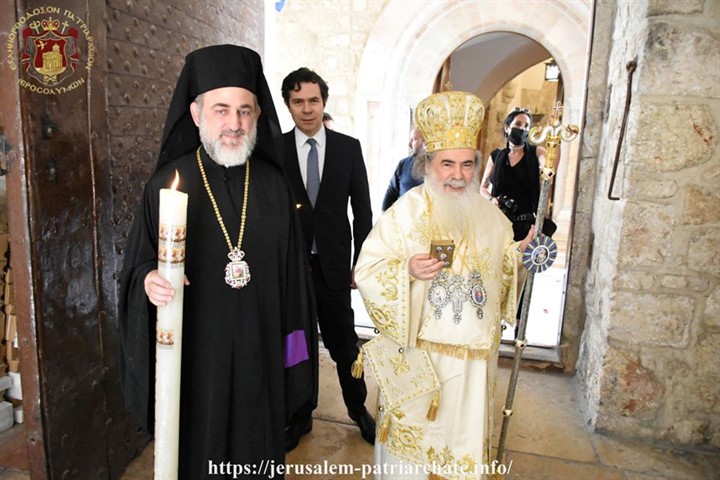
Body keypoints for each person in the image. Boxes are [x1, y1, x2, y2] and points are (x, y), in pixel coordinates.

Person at [118, 45, 317, 479]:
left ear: (258, 114)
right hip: (196, 363)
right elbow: (136, 267)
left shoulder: (275, 187)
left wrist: (295, 367)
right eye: (221, 110)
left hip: (261, 358)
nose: (235, 123)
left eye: (245, 111)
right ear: (195, 113)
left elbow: (296, 292)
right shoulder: (167, 185)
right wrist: (149, 279)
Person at [354, 91, 534, 479]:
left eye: (467, 164)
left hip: (472, 369)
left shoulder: (493, 219)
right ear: (428, 164)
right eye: (447, 164)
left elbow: (504, 277)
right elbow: (367, 270)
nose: (458, 175)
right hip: (419, 361)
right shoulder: (404, 213)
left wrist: (522, 256)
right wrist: (405, 270)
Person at [281, 67, 375, 449]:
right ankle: (300, 414)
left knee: (345, 344)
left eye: (313, 100)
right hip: (291, 270)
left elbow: (363, 211)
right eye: (298, 101)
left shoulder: (348, 148)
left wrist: (361, 262)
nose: (307, 109)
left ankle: (358, 408)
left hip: (334, 268)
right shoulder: (275, 150)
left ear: (324, 102)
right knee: (296, 345)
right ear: (288, 105)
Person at [480, 107, 556, 241]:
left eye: (526, 126)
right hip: (500, 222)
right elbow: (483, 187)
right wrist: (491, 199)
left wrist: (554, 140)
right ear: (507, 127)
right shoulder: (496, 156)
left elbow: (549, 168)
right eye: (518, 124)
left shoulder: (536, 152)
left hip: (526, 225)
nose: (522, 128)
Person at [381, 125, 424, 211]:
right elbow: (391, 194)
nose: (409, 144)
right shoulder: (403, 164)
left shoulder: (438, 167)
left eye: (414, 139)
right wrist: (384, 216)